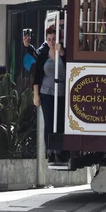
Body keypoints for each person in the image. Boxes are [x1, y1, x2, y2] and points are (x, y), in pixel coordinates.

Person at [33, 26, 67, 162]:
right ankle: (50, 152)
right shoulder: (43, 54)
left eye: (53, 39)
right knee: (49, 122)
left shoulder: (64, 52)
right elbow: (36, 76)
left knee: (60, 122)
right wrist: (36, 95)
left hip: (61, 92)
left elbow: (71, 67)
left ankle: (60, 151)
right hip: (46, 92)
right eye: (49, 39)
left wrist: (62, 53)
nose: (51, 42)